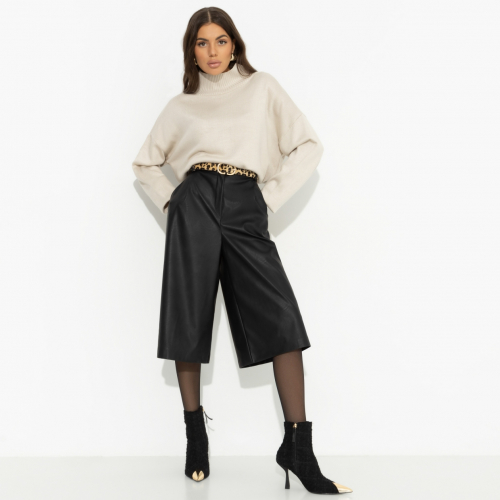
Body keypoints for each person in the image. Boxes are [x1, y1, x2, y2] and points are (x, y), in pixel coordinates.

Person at [131, 7, 352, 495]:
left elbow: (308, 145)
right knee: (188, 319)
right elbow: (144, 163)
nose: (212, 51)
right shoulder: (180, 106)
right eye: (202, 42)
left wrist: (265, 199)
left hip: (245, 201)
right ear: (191, 51)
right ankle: (195, 437)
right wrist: (174, 202)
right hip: (193, 204)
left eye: (221, 41)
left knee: (281, 321)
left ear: (235, 45)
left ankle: (298, 449)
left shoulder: (262, 88)